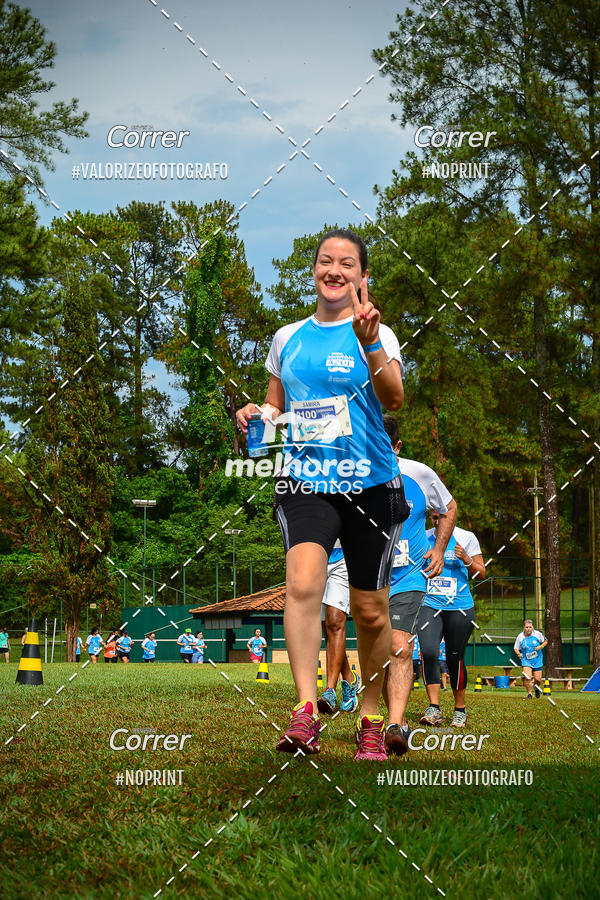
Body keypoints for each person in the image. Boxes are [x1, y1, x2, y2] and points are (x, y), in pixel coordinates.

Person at [237, 228, 410, 761]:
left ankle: (372, 719)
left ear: (362, 276)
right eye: (325, 262)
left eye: (347, 264)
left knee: (371, 612)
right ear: (313, 270)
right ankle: (306, 711)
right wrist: (255, 414)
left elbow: (395, 399)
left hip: (371, 482)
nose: (334, 271)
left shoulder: (375, 333)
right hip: (305, 482)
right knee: (304, 583)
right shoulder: (287, 336)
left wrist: (370, 342)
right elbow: (276, 404)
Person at [380, 414, 457, 756]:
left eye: (384, 446)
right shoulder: (353, 474)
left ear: (397, 446)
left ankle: (394, 725)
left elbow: (449, 507)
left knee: (399, 645)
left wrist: (439, 549)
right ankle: (395, 719)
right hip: (370, 580)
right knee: (381, 656)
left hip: (409, 577)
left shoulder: (419, 474)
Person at [417, 512, 486, 727]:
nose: (437, 521)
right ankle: (434, 708)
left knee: (455, 658)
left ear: (452, 518)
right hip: (429, 604)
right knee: (428, 652)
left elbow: (481, 573)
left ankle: (459, 710)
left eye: (441, 517)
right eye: (434, 517)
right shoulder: (422, 536)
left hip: (460, 607)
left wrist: (467, 560)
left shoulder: (466, 537)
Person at [317, 541, 360, 715]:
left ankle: (330, 691)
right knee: (327, 629)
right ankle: (349, 679)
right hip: (315, 558)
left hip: (344, 557)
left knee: (334, 622)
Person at [514, 619, 547, 699]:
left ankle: (536, 688)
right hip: (526, 660)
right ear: (524, 628)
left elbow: (545, 641)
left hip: (537, 660)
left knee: (538, 679)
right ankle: (529, 694)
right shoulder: (520, 637)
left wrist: (540, 646)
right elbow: (516, 648)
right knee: (528, 677)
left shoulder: (538, 634)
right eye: (526, 627)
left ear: (533, 628)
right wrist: (519, 654)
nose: (528, 629)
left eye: (530, 627)